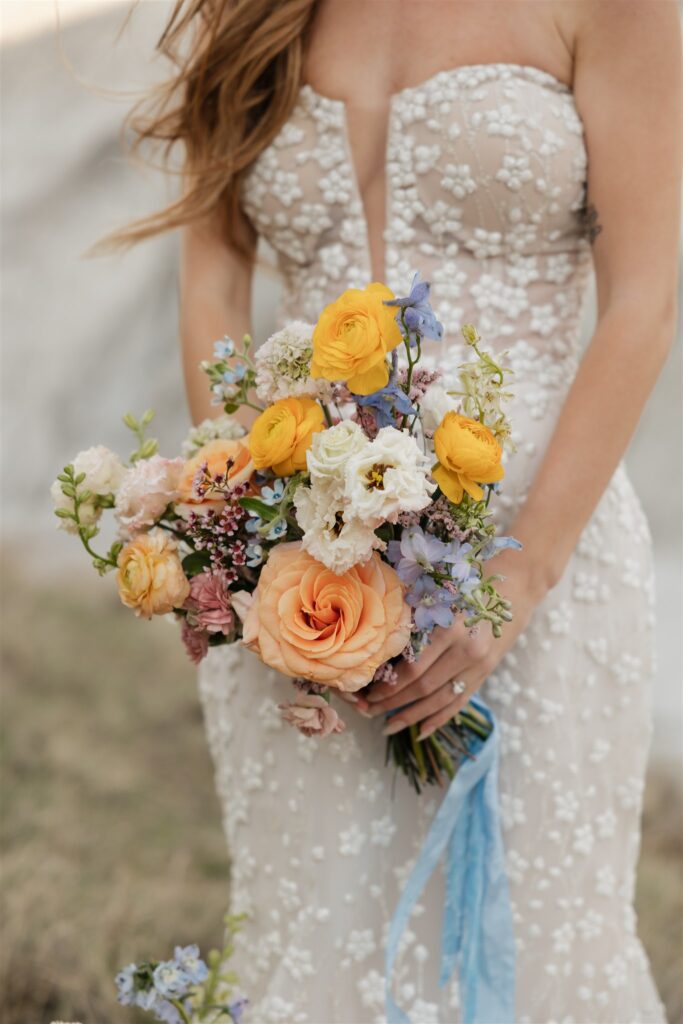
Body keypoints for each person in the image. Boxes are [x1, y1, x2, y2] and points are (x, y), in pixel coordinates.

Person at [108, 1, 681, 1020]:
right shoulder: (248, 13)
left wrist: (520, 573)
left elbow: (642, 295)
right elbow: (214, 280)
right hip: (298, 576)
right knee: (319, 927)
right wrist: (240, 538)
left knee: (532, 930)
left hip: (540, 549)